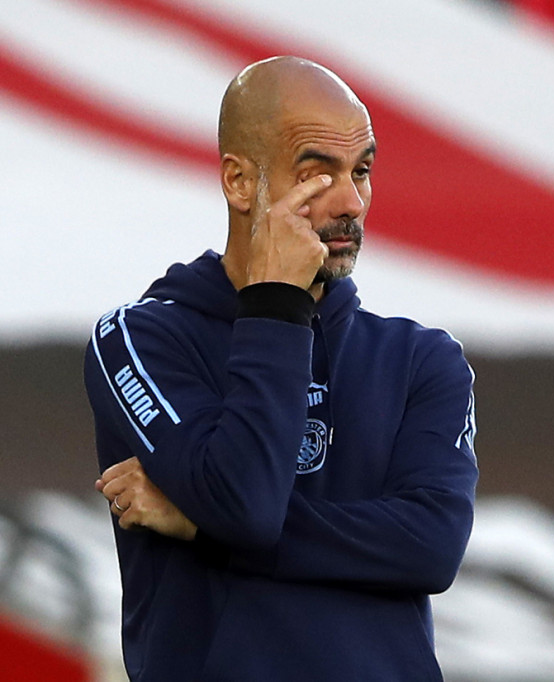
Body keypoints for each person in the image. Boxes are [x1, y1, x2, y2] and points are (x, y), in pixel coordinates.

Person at [84, 55, 478, 681]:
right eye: (318, 174)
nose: (351, 200)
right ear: (240, 183)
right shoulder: (142, 340)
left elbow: (430, 548)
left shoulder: (422, 359)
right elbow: (246, 503)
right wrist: (277, 307)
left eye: (362, 170)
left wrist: (200, 524)